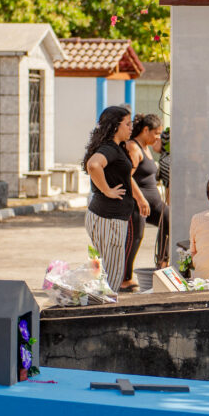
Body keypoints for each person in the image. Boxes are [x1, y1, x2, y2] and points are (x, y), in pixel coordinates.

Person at [83, 106, 149, 292]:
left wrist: (139, 198)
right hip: (108, 219)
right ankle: (104, 312)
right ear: (115, 127)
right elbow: (94, 165)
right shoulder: (109, 148)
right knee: (110, 278)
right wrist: (107, 190)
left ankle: (102, 308)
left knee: (105, 275)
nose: (131, 128)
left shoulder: (117, 148)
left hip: (108, 218)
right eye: (127, 124)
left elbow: (124, 177)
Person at [123, 115, 170, 289]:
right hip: (137, 203)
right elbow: (126, 176)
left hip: (154, 202)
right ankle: (125, 278)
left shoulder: (147, 147)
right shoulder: (133, 148)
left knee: (169, 219)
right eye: (156, 133)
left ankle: (162, 263)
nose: (158, 137)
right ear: (145, 130)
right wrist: (141, 199)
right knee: (136, 237)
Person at [155, 127, 170, 204]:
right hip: (170, 165)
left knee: (168, 191)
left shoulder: (166, 133)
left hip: (165, 163)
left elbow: (156, 148)